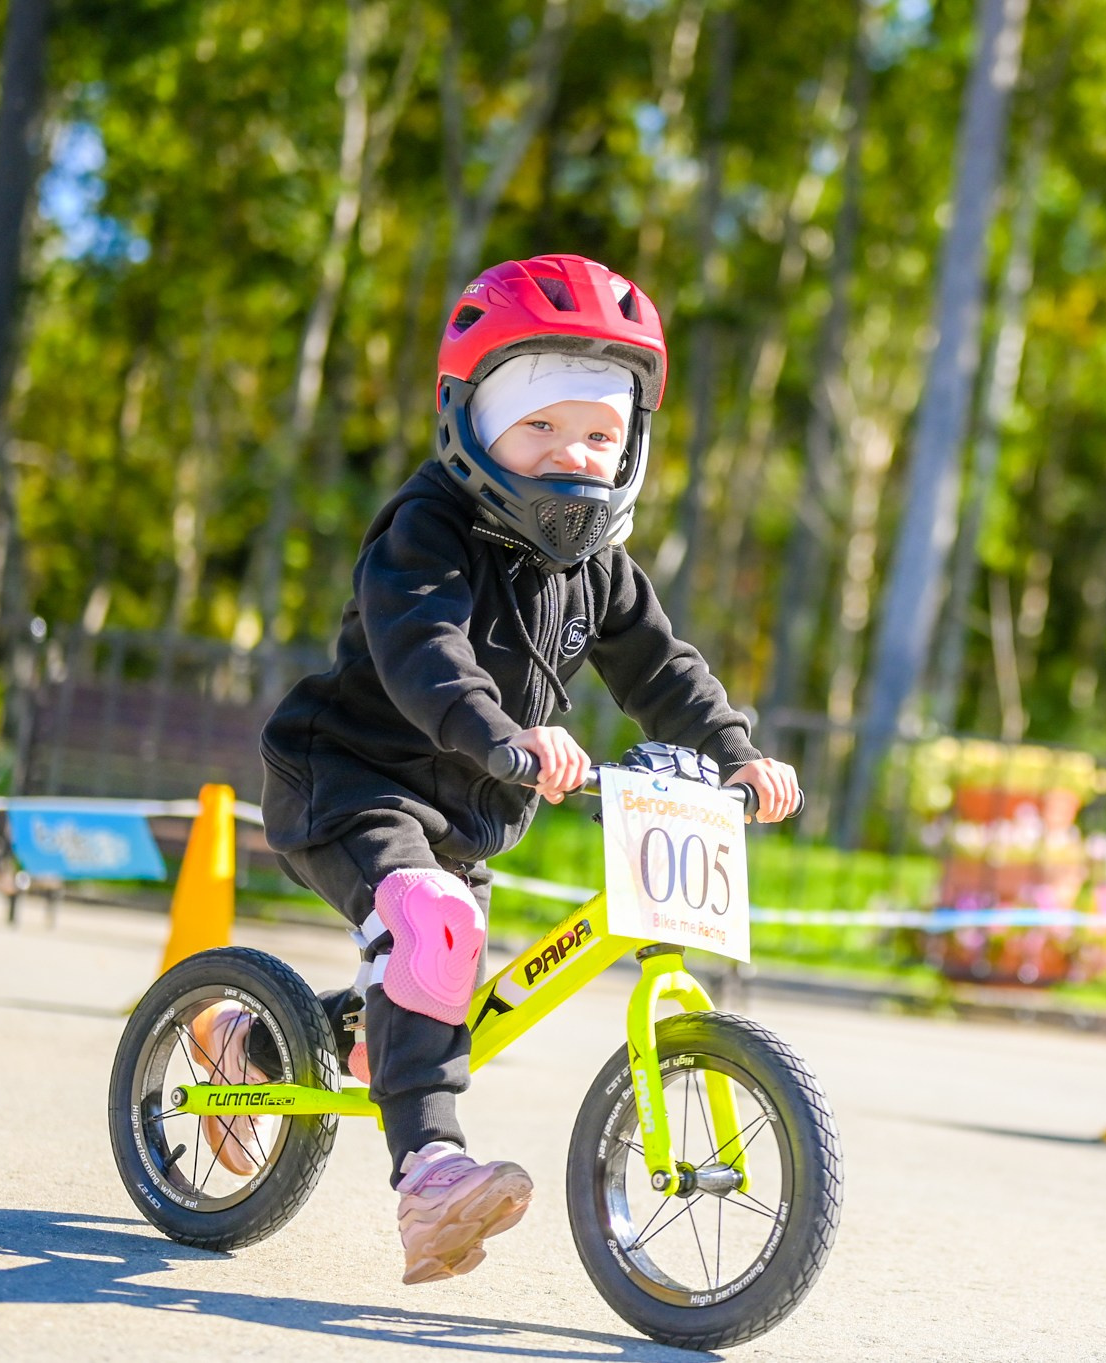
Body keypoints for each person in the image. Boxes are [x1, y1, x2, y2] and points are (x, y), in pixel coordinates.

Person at [242, 254, 801, 1286]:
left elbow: (662, 669)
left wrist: (734, 751)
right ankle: (429, 1176)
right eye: (537, 426)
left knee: (423, 994)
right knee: (431, 932)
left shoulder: (597, 570)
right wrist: (502, 730)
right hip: (353, 775)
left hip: (468, 806)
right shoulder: (426, 528)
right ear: (469, 417)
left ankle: (258, 1046)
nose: (571, 456)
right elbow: (423, 650)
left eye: (598, 434)